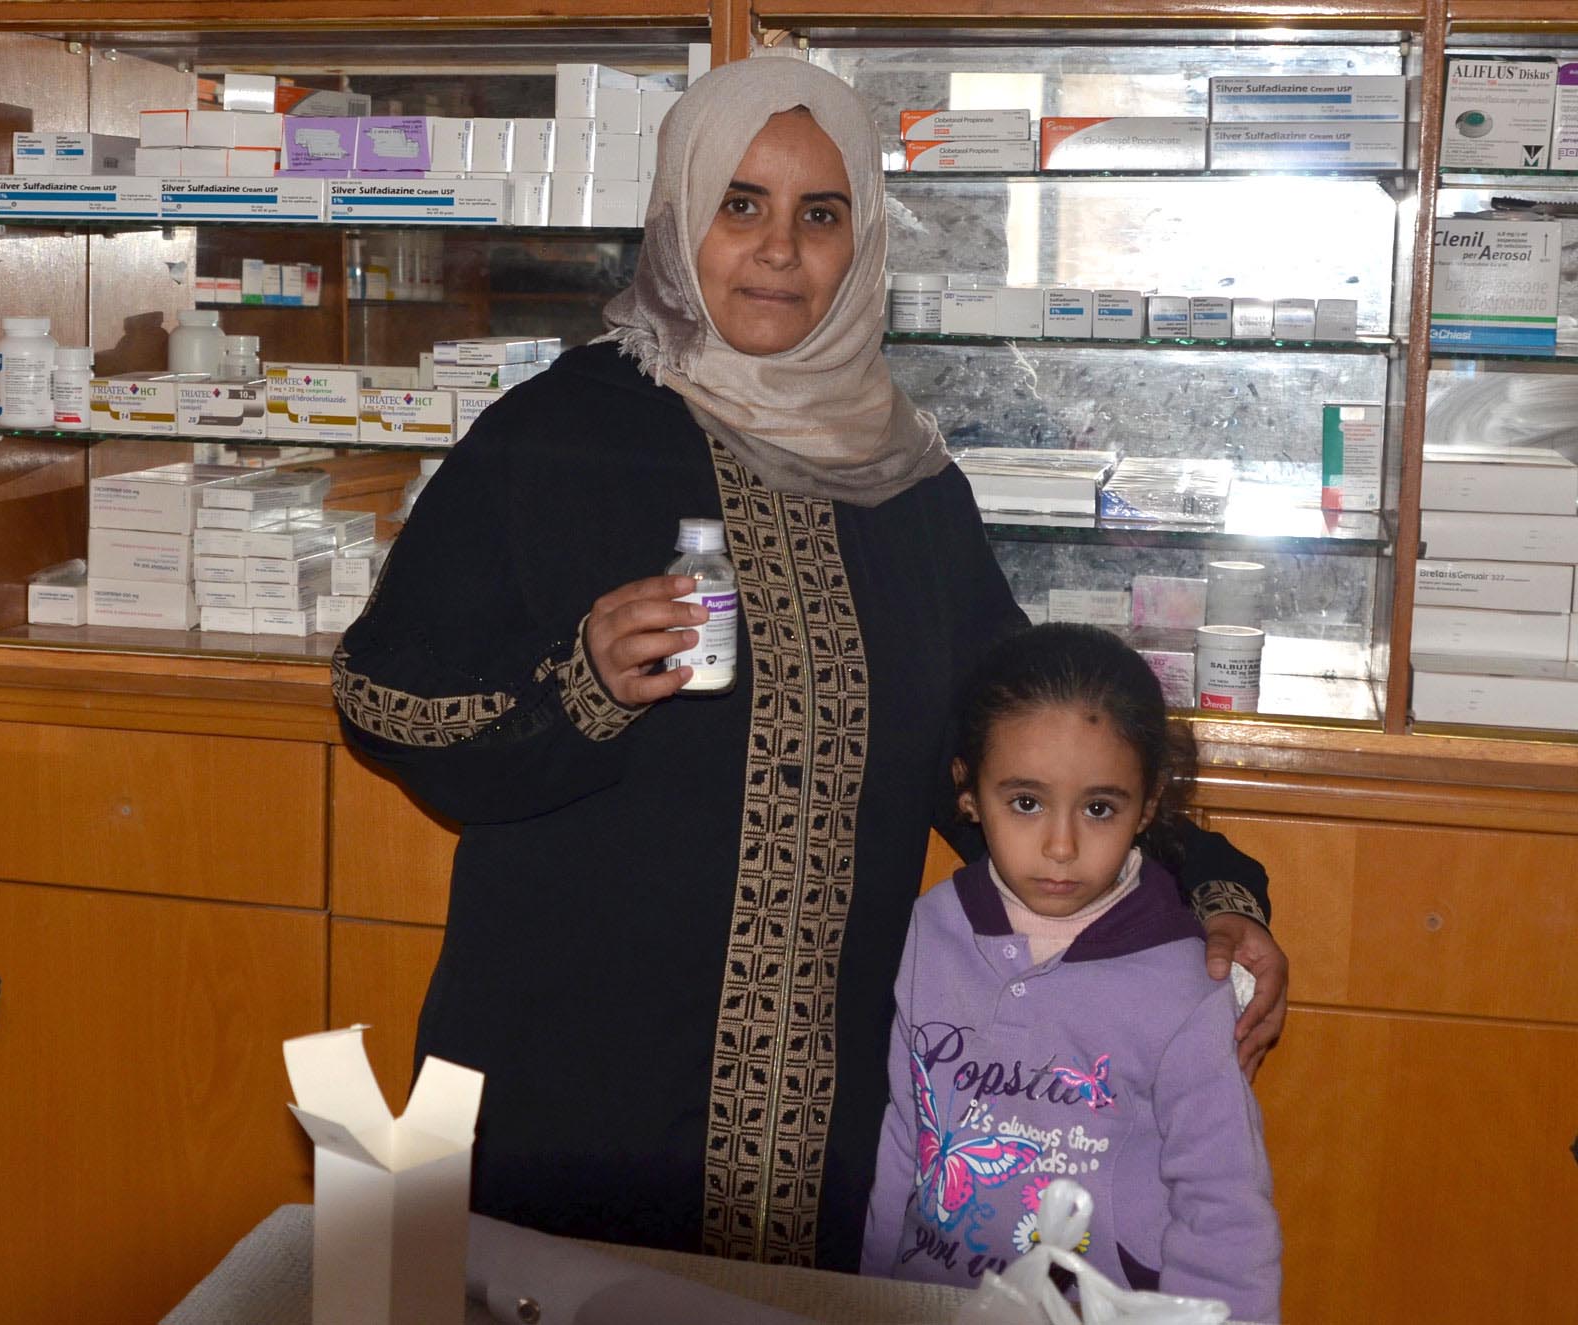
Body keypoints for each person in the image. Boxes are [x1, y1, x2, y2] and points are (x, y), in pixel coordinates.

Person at [332, 53, 1289, 1272]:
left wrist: (1202, 887)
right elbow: (378, 698)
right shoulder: (558, 436)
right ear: (680, 218)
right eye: (741, 205)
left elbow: (1021, 744)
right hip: (575, 1089)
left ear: (859, 244)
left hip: (830, 1109)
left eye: (818, 215)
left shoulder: (908, 483)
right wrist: (575, 681)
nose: (777, 250)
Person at [860, 624, 1280, 1318]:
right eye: (1025, 802)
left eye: (1099, 808)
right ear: (968, 790)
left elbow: (1225, 1209)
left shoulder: (1186, 988)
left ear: (1148, 803)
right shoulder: (931, 930)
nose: (1061, 845)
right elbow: (904, 1135)